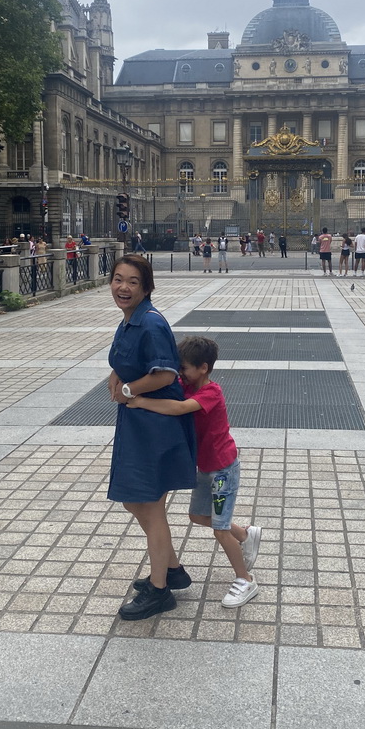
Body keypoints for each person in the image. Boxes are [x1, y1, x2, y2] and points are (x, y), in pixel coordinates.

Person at [125, 336, 262, 608]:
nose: (180, 373)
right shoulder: (184, 384)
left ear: (203, 368)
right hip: (205, 468)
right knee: (198, 516)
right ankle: (245, 535)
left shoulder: (211, 392)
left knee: (220, 530)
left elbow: (178, 408)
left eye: (184, 368)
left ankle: (246, 580)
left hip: (223, 470)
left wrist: (140, 401)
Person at [108, 255, 197, 620]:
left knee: (150, 505)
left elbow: (165, 374)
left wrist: (128, 390)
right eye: (117, 279)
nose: (123, 287)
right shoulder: (131, 319)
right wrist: (116, 375)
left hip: (157, 424)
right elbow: (126, 359)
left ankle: (160, 591)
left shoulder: (151, 323)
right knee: (135, 500)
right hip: (137, 421)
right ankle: (172, 570)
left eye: (132, 281)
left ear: (146, 287)